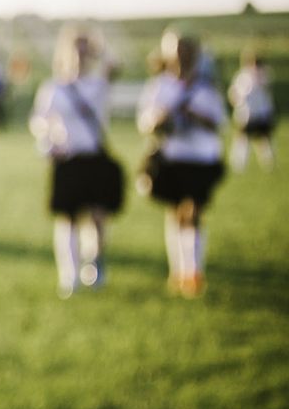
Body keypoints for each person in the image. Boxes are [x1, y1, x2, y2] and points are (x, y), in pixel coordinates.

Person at [29, 27, 124, 297]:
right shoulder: (54, 88)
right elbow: (39, 122)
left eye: (85, 49)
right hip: (68, 159)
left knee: (97, 217)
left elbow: (116, 65)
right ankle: (69, 275)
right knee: (67, 219)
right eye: (76, 48)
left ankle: (94, 264)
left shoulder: (99, 84)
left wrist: (99, 47)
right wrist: (49, 145)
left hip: (94, 157)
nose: (81, 55)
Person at [136, 31, 227, 297]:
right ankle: (178, 270)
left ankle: (194, 271)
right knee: (176, 213)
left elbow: (218, 123)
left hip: (200, 157)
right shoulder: (160, 85)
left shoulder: (207, 86)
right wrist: (159, 120)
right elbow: (145, 122)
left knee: (193, 211)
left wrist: (194, 115)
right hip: (172, 157)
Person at [228, 48, 276, 171]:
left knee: (264, 138)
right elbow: (235, 94)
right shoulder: (243, 76)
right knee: (244, 138)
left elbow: (265, 93)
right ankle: (239, 163)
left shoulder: (263, 75)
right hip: (247, 114)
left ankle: (268, 162)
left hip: (261, 112)